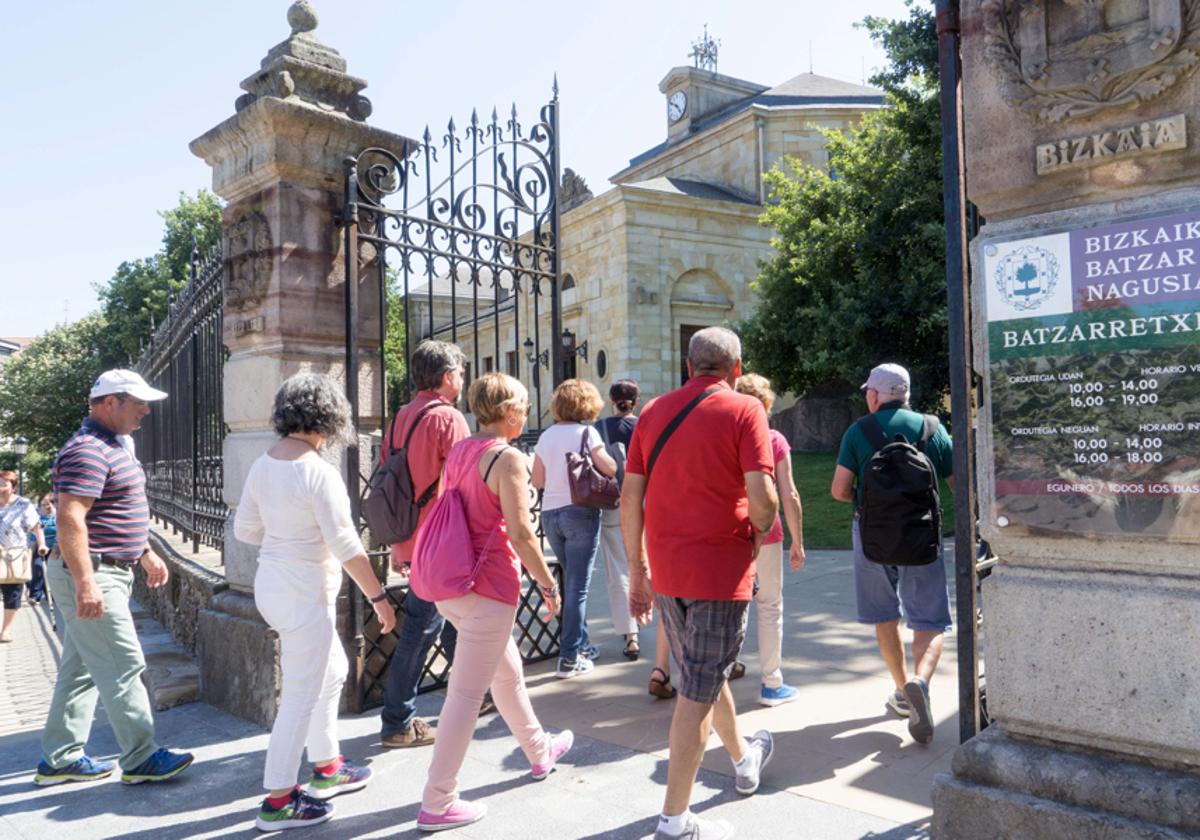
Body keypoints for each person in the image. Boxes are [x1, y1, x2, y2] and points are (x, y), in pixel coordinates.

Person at [624, 327, 779, 840]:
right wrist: (757, 536)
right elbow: (765, 497)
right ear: (736, 369)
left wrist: (637, 570)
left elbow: (630, 499)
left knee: (701, 671)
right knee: (696, 693)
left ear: (688, 366)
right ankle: (673, 821)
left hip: (668, 568)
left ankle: (742, 758)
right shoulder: (744, 409)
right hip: (720, 569)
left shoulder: (651, 413)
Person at [235, 373, 398, 831]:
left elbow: (245, 530)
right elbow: (346, 543)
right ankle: (279, 799)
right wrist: (379, 597)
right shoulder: (318, 471)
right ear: (329, 416)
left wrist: (287, 534)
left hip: (277, 584)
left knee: (332, 672)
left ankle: (327, 767)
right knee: (302, 693)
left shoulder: (263, 464)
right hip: (304, 590)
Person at [417, 373, 571, 832]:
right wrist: (548, 583)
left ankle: (539, 752)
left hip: (454, 585)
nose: (526, 414)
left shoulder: (463, 449)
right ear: (509, 413)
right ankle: (438, 801)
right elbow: (522, 535)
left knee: (508, 674)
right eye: (523, 407)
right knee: (465, 695)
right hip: (487, 587)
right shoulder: (508, 459)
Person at [37, 369, 193, 787]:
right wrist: (86, 582)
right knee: (124, 665)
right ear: (109, 402)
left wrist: (144, 552)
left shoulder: (112, 446)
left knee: (83, 668)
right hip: (92, 572)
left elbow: (113, 512)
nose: (146, 410)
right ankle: (141, 757)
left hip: (105, 569)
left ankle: (60, 758)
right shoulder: (88, 451)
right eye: (137, 402)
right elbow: (71, 518)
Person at [830, 363, 954, 745]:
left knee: (886, 616)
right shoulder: (934, 429)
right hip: (922, 536)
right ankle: (921, 681)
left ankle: (903, 692)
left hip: (872, 537)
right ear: (906, 393)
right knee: (929, 620)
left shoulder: (859, 431)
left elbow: (839, 490)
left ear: (874, 395)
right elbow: (955, 484)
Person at [380, 340, 472, 750]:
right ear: (448, 377)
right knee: (424, 625)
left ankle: (475, 690)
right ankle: (398, 720)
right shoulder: (450, 419)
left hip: (412, 536)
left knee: (454, 619)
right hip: (442, 538)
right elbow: (466, 481)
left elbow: (392, 480)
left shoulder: (401, 416)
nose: (464, 381)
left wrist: (400, 544)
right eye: (461, 374)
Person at [532, 379, 617, 678]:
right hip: (580, 512)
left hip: (551, 515)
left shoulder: (546, 435)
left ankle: (581, 644)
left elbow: (538, 480)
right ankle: (569, 658)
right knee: (578, 588)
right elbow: (608, 468)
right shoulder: (587, 432)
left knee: (571, 583)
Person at [734, 374, 807, 707]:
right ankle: (771, 682)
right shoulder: (773, 438)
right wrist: (797, 540)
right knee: (769, 605)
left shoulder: (726, 434)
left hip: (730, 529)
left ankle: (725, 666)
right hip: (767, 529)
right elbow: (788, 492)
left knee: (728, 603)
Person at [594, 379, 640, 660]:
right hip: (645, 503)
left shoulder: (599, 428)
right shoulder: (645, 426)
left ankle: (630, 634)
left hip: (613, 505)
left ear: (611, 400)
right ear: (636, 400)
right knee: (650, 566)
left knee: (619, 572)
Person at [1, 471, 46, 641]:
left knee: (12, 593)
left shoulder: (22, 504)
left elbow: (36, 526)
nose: (0, 487)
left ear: (13, 487)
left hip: (15, 555)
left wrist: (41, 544)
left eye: (4, 484)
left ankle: (5, 630)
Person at [28, 494, 57, 604]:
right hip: (41, 547)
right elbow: (34, 536)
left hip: (55, 548)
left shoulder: (58, 517)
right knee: (38, 567)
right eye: (43, 504)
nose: (46, 507)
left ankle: (51, 594)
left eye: (48, 504)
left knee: (52, 571)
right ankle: (35, 596)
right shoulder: (37, 519)